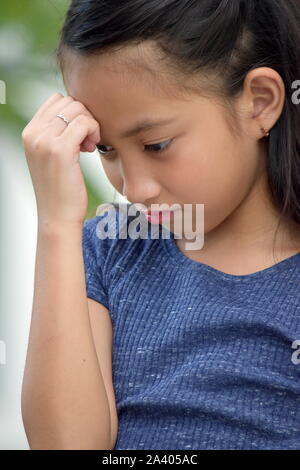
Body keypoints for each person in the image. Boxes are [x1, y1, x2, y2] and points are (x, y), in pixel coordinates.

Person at [21, 0, 300, 450]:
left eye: (156, 144)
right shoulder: (106, 250)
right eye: (107, 149)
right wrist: (57, 225)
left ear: (260, 103)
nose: (135, 188)